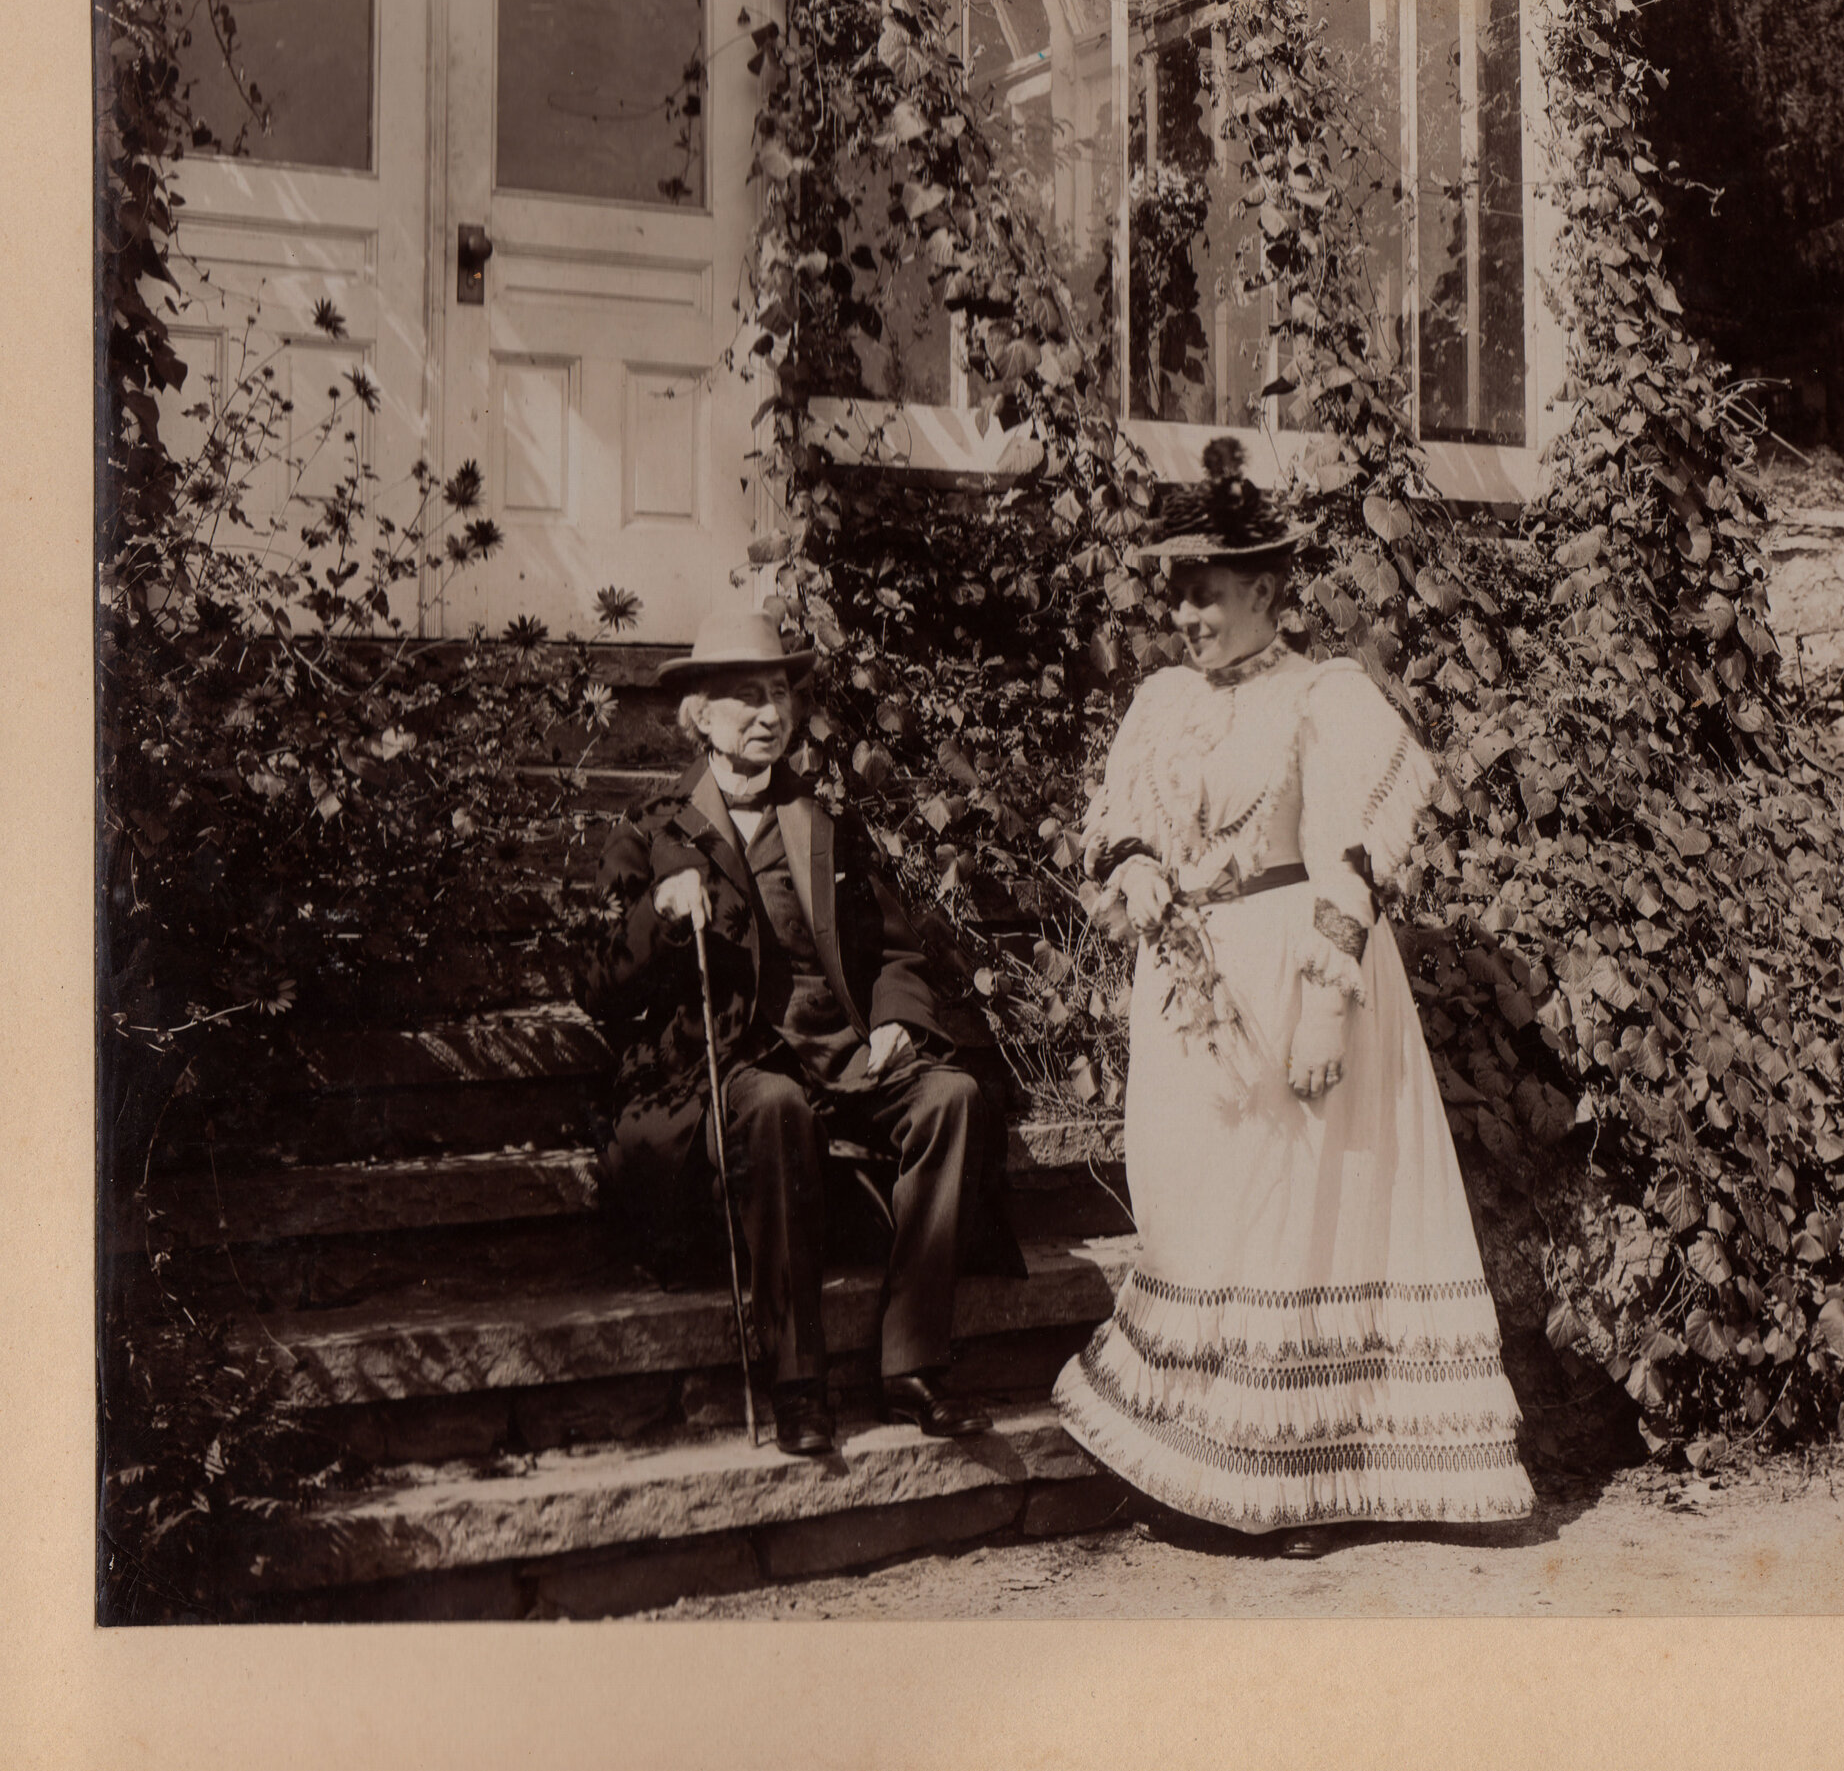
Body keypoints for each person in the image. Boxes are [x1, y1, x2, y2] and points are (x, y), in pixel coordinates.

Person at [1053, 444, 1536, 1557]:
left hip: (1294, 970)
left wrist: (1329, 997)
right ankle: (1195, 1456)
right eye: (1174, 590)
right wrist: (1132, 871)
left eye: (1206, 591)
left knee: (1296, 1222)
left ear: (1266, 591)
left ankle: (1303, 1474)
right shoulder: (1163, 700)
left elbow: (1354, 857)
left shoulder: (1325, 697)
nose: (1185, 613)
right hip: (1188, 994)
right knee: (1199, 1216)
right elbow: (1126, 817)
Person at [585, 607, 1009, 1455]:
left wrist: (894, 1019)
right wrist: (659, 914)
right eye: (746, 697)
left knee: (954, 1096)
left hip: (843, 1057)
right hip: (734, 1066)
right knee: (775, 1106)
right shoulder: (652, 832)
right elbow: (597, 984)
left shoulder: (824, 824)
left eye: (778, 693)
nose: (770, 714)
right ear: (700, 715)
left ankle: (915, 1363)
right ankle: (798, 1379)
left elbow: (892, 948)